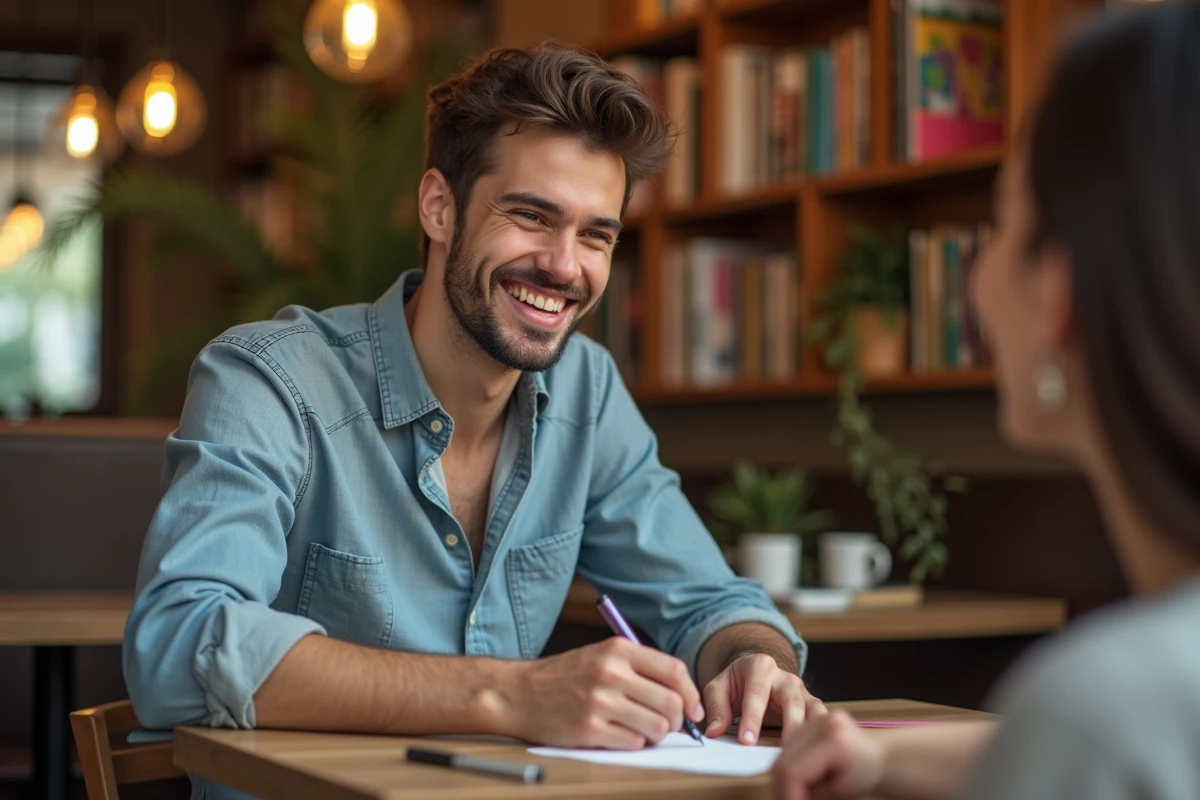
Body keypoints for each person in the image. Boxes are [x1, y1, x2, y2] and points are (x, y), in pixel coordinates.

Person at [124, 44, 823, 800]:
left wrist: (758, 664)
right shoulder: (270, 378)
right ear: (439, 207)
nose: (564, 266)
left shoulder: (585, 390)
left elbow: (712, 604)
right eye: (531, 216)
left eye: (597, 235)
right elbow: (178, 642)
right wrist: (510, 696)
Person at [771, 3, 1200, 799]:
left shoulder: (1099, 710)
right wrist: (887, 756)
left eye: (1000, 222)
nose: (979, 277)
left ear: (1058, 292)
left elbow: (1101, 738)